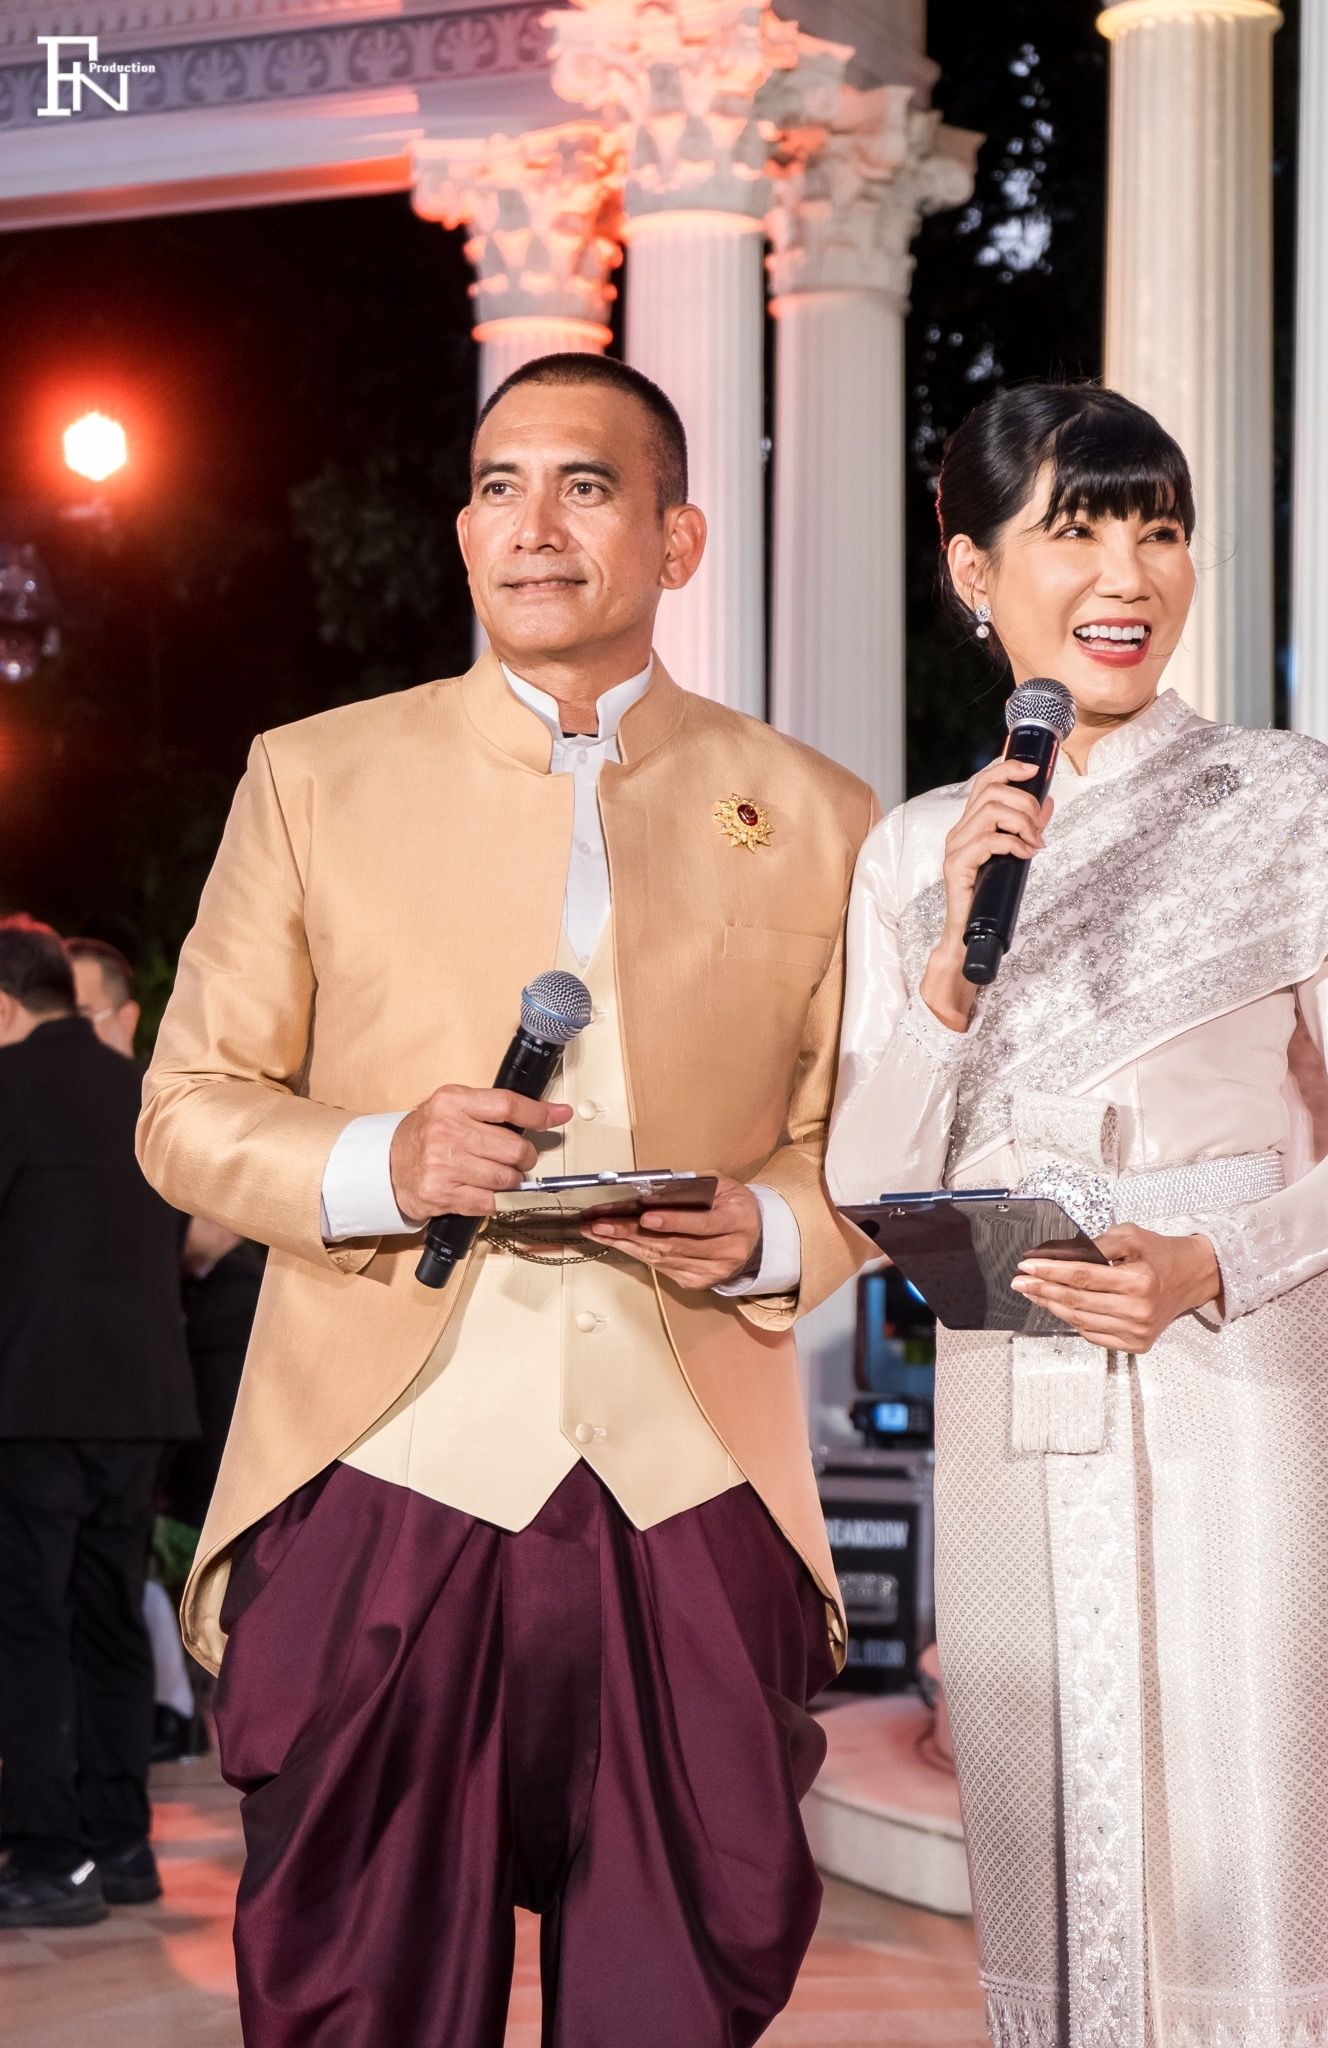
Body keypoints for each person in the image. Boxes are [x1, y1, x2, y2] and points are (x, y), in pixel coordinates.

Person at [137, 354, 877, 2047]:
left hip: (690, 1467)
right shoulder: (313, 777)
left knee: (683, 1975)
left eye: (584, 486)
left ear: (676, 540)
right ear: (464, 530)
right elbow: (186, 1107)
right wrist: (376, 1161)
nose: (531, 525)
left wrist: (767, 1230)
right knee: (359, 1986)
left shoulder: (817, 811)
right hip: (381, 1456)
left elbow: (854, 1145)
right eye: (496, 486)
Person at [825, 383, 1328, 2048]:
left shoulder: (1282, 796)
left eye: (1158, 528)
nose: (1127, 572)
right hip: (1013, 1395)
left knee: (1251, 1859)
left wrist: (1212, 1262)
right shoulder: (914, 851)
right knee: (1049, 1862)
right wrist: (943, 980)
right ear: (971, 568)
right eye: (1075, 528)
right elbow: (862, 1177)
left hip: (1247, 1380)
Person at [0, 916, 197, 1927]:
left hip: (32, 1399)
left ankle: (49, 1857)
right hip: (141, 1400)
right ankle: (121, 1848)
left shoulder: (8, 1086)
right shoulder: (143, 1095)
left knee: (28, 1626)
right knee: (109, 1618)